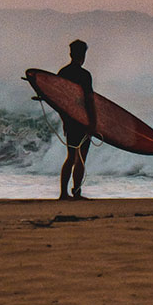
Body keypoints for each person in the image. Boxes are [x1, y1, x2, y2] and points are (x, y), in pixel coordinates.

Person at [57, 39, 97, 200]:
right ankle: (77, 192)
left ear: (70, 53)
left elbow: (58, 100)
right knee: (81, 157)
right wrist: (93, 123)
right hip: (82, 120)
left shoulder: (62, 72)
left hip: (70, 119)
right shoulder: (85, 75)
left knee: (71, 156)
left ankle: (63, 193)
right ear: (83, 55)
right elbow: (89, 100)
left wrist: (64, 119)